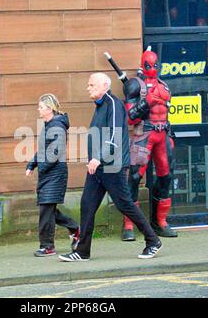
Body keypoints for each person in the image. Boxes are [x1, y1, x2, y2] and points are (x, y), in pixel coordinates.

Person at [58, 73, 162, 262]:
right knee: (87, 205)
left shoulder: (113, 103)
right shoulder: (99, 106)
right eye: (88, 85)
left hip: (112, 166)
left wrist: (98, 157)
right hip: (98, 168)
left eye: (92, 85)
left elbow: (114, 135)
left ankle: (153, 240)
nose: (88, 88)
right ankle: (82, 252)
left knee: (124, 204)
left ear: (105, 85)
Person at [120, 47, 178, 241]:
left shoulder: (165, 85)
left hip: (163, 135)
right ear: (143, 66)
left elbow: (168, 112)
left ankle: (160, 221)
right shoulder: (135, 85)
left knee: (166, 177)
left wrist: (170, 135)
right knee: (134, 178)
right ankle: (129, 224)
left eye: (155, 65)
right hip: (144, 134)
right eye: (149, 65)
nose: (153, 69)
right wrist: (146, 103)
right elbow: (130, 117)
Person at [26, 93, 80, 257]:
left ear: (50, 109)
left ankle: (47, 246)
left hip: (54, 174)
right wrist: (32, 164)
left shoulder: (56, 126)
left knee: (46, 211)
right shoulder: (49, 125)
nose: (39, 110)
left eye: (41, 107)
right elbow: (43, 150)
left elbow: (55, 152)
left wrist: (41, 166)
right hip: (50, 173)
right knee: (49, 211)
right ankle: (76, 229)